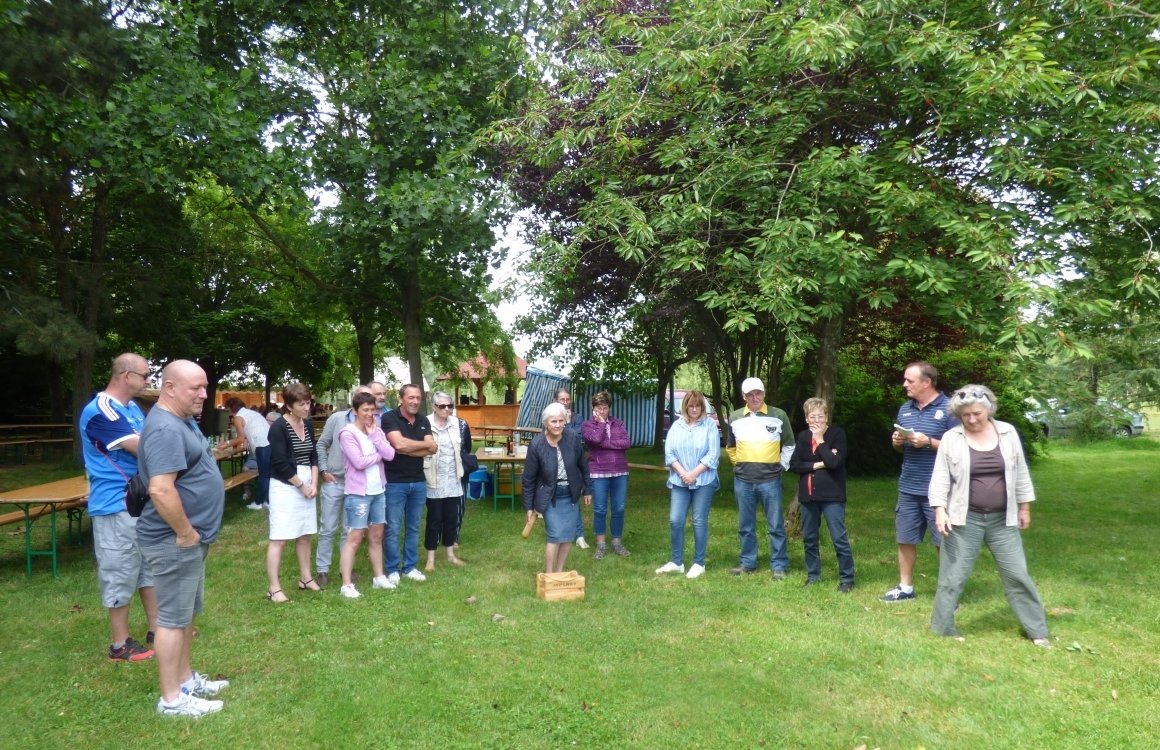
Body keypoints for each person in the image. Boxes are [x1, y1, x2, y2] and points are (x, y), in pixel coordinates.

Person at [137, 360, 229, 717]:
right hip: (173, 540)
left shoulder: (182, 420)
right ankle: (172, 699)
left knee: (187, 613)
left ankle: (186, 679)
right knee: (172, 619)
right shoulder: (164, 429)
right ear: (170, 387)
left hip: (191, 538)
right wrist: (185, 532)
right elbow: (160, 490)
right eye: (196, 388)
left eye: (205, 387)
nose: (204, 394)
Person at [929, 385, 1050, 647]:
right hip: (964, 518)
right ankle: (942, 629)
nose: (971, 420)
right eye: (966, 416)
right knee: (953, 576)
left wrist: (1025, 507)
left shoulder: (1007, 433)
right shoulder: (951, 438)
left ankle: (1037, 631)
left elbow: (1020, 472)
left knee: (1017, 574)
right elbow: (940, 477)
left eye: (976, 414)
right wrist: (940, 510)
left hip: (1002, 520)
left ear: (988, 410)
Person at [79, 352, 158, 662]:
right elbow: (143, 447)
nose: (149, 381)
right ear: (127, 377)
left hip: (139, 501)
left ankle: (156, 628)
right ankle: (119, 644)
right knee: (120, 570)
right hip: (116, 504)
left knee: (148, 566)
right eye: (145, 375)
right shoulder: (101, 411)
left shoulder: (131, 408)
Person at [881, 361, 956, 602]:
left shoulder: (950, 409)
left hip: (940, 490)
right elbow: (902, 450)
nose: (904, 385)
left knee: (943, 541)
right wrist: (897, 443)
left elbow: (960, 448)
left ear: (927, 382)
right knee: (905, 538)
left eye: (909, 380)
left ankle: (949, 592)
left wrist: (929, 442)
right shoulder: (905, 409)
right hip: (909, 486)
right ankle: (905, 588)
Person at [725, 377, 793, 579]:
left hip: (771, 480)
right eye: (750, 394)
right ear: (743, 396)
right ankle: (748, 563)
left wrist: (782, 466)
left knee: (776, 525)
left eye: (758, 393)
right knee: (745, 525)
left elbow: (789, 444)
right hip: (743, 481)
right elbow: (730, 447)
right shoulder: (735, 417)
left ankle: (779, 565)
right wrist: (740, 465)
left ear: (764, 393)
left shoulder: (778, 415)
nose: (755, 397)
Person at [789, 398, 855, 592]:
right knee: (810, 537)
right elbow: (794, 465)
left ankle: (847, 579)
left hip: (832, 495)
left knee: (839, 538)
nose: (816, 420)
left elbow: (834, 463)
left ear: (827, 417)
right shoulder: (802, 437)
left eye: (820, 416)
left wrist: (820, 442)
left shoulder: (837, 434)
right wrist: (817, 465)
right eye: (812, 416)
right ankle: (813, 576)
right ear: (806, 418)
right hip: (808, 495)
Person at [336, 391, 397, 598]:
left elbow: (391, 454)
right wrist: (378, 455)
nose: (370, 414)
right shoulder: (347, 433)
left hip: (378, 490)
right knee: (354, 537)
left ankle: (379, 577)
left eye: (372, 410)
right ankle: (346, 584)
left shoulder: (376, 431)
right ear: (355, 411)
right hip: (358, 493)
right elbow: (358, 462)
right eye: (365, 410)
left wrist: (375, 439)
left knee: (377, 535)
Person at [265, 383, 321, 602]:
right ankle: (273, 587)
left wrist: (314, 483)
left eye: (308, 403)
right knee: (279, 538)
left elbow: (313, 456)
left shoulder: (306, 425)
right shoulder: (278, 427)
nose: (307, 407)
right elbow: (279, 462)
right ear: (288, 406)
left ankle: (305, 578)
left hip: (307, 482)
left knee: (305, 534)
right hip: (285, 486)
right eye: (301, 404)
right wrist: (301, 486)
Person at [315, 384, 374, 588]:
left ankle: (344, 569)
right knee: (328, 527)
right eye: (361, 397)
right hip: (335, 480)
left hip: (357, 484)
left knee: (350, 530)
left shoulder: (371, 423)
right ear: (354, 400)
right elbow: (321, 444)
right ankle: (322, 569)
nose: (365, 402)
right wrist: (323, 470)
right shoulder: (337, 419)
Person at [656, 390, 720, 579]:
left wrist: (693, 474)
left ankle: (699, 563)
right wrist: (684, 473)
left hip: (704, 480)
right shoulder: (677, 426)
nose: (694, 409)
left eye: (697, 405)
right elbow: (669, 454)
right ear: (685, 406)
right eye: (690, 405)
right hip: (679, 480)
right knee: (675, 520)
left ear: (702, 407)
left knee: (699, 521)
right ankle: (677, 562)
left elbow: (713, 455)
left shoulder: (710, 426)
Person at [522, 402, 592, 572]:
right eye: (554, 421)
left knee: (567, 536)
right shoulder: (537, 444)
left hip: (571, 494)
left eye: (561, 421)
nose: (558, 425)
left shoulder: (574, 438)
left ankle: (559, 572)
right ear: (546, 423)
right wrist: (529, 506)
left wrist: (587, 490)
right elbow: (528, 479)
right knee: (554, 535)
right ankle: (549, 574)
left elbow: (583, 465)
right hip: (549, 496)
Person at [381, 383, 437, 584]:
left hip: (418, 481)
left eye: (418, 398)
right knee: (393, 527)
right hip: (394, 482)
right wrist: (414, 446)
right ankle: (392, 568)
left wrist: (406, 448)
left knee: (413, 527)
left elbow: (433, 449)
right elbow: (398, 444)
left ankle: (410, 567)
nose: (415, 401)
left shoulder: (423, 420)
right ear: (401, 398)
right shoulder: (389, 418)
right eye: (410, 397)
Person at [423, 391, 471, 571]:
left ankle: (450, 554)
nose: (446, 409)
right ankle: (430, 559)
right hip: (434, 478)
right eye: (442, 406)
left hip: (453, 478)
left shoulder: (459, 424)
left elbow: (465, 448)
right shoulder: (425, 423)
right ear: (434, 407)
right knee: (434, 519)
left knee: (452, 518)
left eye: (449, 406)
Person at [582, 390, 632, 559]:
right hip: (598, 472)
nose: (602, 411)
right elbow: (595, 440)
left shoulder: (618, 423)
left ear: (609, 407)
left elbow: (626, 443)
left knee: (619, 508)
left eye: (604, 408)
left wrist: (606, 444)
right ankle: (601, 544)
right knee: (600, 509)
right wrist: (602, 424)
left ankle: (617, 543)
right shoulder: (587, 426)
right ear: (593, 408)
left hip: (620, 471)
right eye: (598, 407)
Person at [223, 397, 271, 511]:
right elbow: (248, 432)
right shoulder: (251, 413)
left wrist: (226, 443)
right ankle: (266, 500)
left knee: (264, 475)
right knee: (268, 474)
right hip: (270, 442)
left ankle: (259, 502)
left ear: (230, 408)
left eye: (227, 408)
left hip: (261, 445)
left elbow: (240, 438)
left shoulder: (238, 417)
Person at [554, 387, 588, 548]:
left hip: (573, 466)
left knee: (574, 501)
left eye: (568, 399)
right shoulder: (550, 417)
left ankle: (579, 535)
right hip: (555, 466)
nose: (566, 402)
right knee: (555, 503)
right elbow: (551, 439)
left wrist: (566, 424)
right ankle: (560, 533)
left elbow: (578, 439)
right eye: (563, 399)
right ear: (556, 401)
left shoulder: (577, 417)